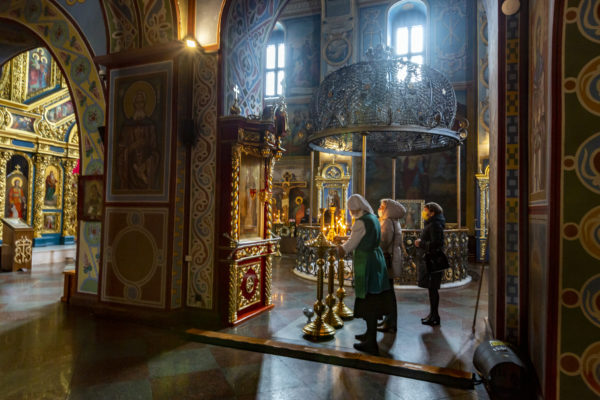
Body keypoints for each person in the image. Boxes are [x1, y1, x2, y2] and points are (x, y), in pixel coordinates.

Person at [336, 194, 393, 355]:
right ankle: (369, 334)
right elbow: (362, 237)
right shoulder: (373, 218)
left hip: (367, 262)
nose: (351, 212)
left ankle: (371, 342)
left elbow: (352, 243)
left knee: (369, 299)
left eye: (351, 209)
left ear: (355, 208)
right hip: (376, 259)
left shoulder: (360, 222)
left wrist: (339, 249)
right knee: (374, 296)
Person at [415, 202, 449, 326]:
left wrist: (421, 243)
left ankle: (435, 317)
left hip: (433, 261)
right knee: (431, 289)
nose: (423, 212)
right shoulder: (432, 223)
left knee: (433, 289)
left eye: (425, 210)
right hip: (431, 260)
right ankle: (432, 315)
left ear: (432, 212)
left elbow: (437, 243)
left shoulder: (435, 224)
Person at [377, 198, 407, 333]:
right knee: (389, 291)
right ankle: (388, 320)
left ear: (388, 209)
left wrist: (374, 242)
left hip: (387, 260)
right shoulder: (394, 221)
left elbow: (383, 242)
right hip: (391, 259)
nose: (380, 209)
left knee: (388, 292)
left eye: (382, 207)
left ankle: (390, 322)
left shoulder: (388, 222)